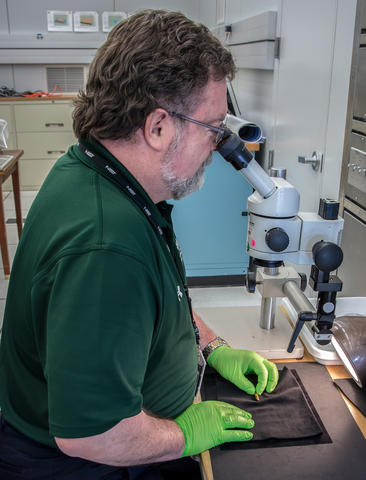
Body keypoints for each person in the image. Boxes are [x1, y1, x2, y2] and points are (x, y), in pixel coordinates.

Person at [0, 9, 279, 480]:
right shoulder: (106, 246)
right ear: (157, 127)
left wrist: (211, 347)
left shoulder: (98, 172)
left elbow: (151, 299)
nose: (217, 146)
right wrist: (187, 436)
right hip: (92, 461)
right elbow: (91, 433)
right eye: (212, 129)